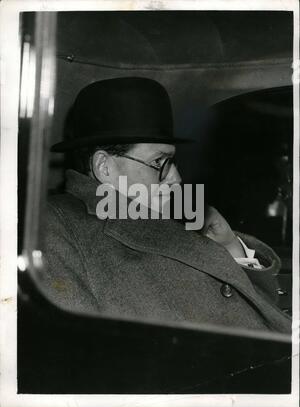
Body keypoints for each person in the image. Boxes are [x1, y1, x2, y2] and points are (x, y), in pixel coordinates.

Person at [41, 77, 291, 333]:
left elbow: (261, 308)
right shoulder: (53, 226)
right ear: (104, 167)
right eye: (159, 163)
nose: (176, 178)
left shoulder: (171, 214)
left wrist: (231, 247)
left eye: (172, 162)